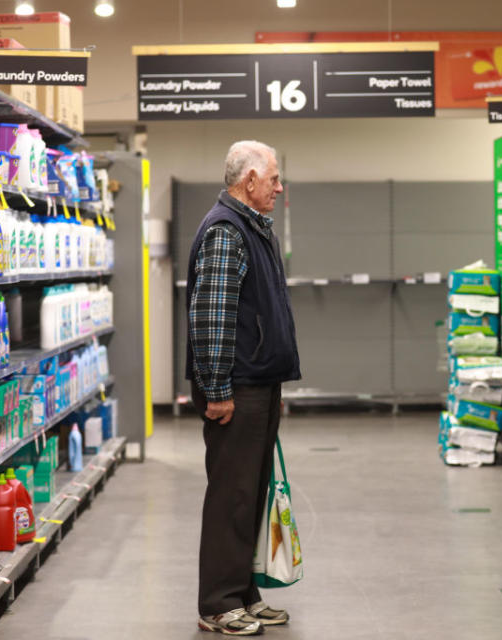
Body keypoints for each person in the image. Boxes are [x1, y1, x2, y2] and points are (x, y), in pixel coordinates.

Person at [186, 140, 302, 636]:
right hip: (236, 389)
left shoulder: (251, 229)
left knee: (251, 494)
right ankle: (217, 603)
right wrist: (217, 390)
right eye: (273, 178)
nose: (279, 187)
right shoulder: (225, 232)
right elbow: (212, 320)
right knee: (231, 496)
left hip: (258, 382)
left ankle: (242, 593)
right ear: (249, 180)